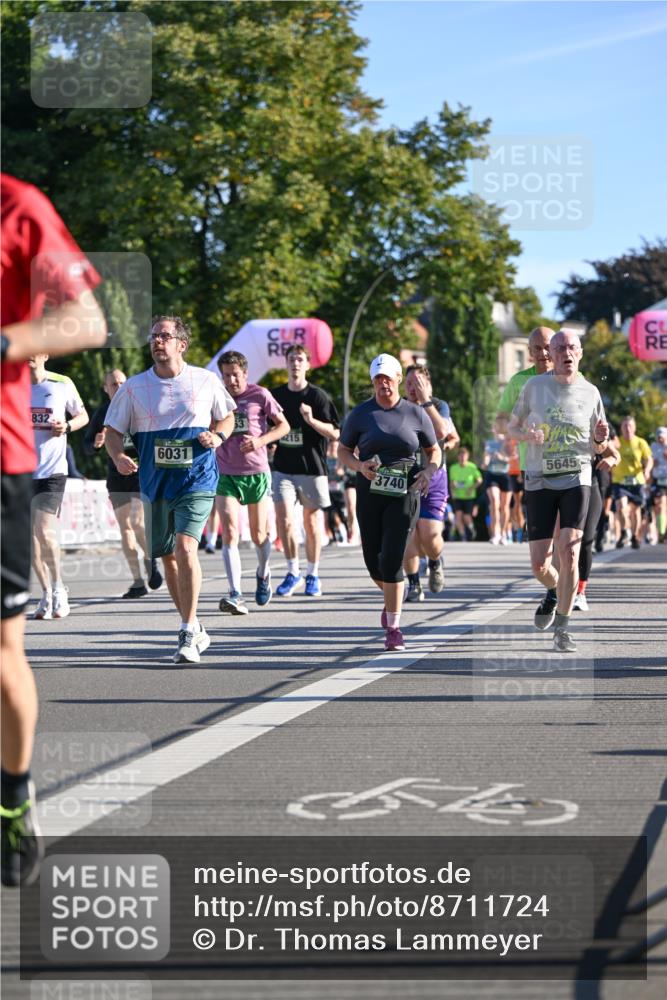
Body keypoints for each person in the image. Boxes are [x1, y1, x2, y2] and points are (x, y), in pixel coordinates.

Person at [1, 173, 107, 886]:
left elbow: (84, 323)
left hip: (4, 459)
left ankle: (13, 795)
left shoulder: (19, 206)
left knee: (2, 646)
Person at [104, 316, 235, 664]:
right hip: (155, 484)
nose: (157, 342)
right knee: (167, 555)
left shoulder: (205, 380)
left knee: (185, 546)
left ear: (181, 344)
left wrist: (218, 435)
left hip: (198, 479)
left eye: (165, 336)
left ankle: (188, 629)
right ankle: (193, 623)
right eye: (154, 337)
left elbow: (228, 417)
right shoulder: (133, 387)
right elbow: (113, 430)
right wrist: (117, 456)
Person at [507, 329, 609, 653]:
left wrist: (600, 439)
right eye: (560, 347)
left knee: (569, 550)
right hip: (539, 479)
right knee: (540, 564)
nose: (567, 352)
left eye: (572, 347)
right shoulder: (533, 386)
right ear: (551, 353)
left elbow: (599, 444)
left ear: (580, 353)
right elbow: (512, 426)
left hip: (576, 477)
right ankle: (552, 590)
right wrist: (526, 436)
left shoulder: (591, 392)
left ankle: (563, 627)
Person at [338, 354, 441, 651]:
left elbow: (434, 450)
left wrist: (429, 472)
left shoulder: (415, 413)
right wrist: (359, 466)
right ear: (372, 382)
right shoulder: (360, 415)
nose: (383, 383)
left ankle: (394, 627)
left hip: (405, 490)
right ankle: (393, 593)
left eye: (388, 378)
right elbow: (343, 450)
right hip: (370, 489)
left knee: (393, 557)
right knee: (374, 563)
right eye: (377, 379)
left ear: (398, 379)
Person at [214, 350, 290, 614]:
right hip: (225, 472)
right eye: (226, 375)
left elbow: (284, 426)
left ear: (245, 373)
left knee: (259, 536)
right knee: (231, 532)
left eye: (235, 375)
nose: (231, 380)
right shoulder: (217, 397)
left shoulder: (260, 395)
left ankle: (263, 571)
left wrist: (260, 441)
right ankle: (235, 593)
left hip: (256, 472)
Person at [84, 369, 163, 598]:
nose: (117, 387)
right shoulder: (101, 414)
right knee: (125, 527)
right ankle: (138, 582)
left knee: (137, 522)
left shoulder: (139, 408)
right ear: (105, 388)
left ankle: (150, 561)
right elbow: (87, 446)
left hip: (140, 473)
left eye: (121, 383)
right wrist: (96, 444)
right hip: (116, 475)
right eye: (113, 384)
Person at [270, 344, 340, 597]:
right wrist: (270, 442)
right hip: (284, 469)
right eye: (291, 359)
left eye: (300, 359)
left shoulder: (318, 397)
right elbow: (268, 428)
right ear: (286, 364)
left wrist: (311, 421)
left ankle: (313, 574)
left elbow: (335, 433)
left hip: (312, 468)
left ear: (308, 365)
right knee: (285, 520)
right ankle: (293, 571)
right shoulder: (276, 395)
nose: (295, 363)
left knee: (311, 523)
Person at [29, 354, 89, 619]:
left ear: (45, 355)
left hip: (52, 470)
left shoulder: (61, 382)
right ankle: (44, 592)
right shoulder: (9, 385)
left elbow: (83, 415)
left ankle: (58, 587)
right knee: (28, 540)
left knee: (44, 529)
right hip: (18, 471)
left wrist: (66, 426)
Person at [401, 364, 458, 602]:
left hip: (433, 476)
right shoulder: (398, 407)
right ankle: (413, 583)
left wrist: (426, 402)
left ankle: (435, 561)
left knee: (430, 533)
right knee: (407, 535)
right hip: (404, 478)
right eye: (409, 384)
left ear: (428, 385)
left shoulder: (438, 405)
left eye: (419, 383)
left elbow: (443, 431)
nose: (414, 388)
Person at [573, 441, 620, 611]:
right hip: (560, 490)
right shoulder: (552, 423)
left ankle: (580, 593)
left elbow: (615, 454)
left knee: (586, 540)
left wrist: (612, 460)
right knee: (561, 543)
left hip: (590, 487)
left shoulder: (589, 423)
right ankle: (556, 589)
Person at [612, 415, 653, 550]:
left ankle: (635, 536)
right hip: (620, 480)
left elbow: (648, 459)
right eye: (625, 426)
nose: (627, 429)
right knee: (621, 507)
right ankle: (624, 531)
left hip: (637, 481)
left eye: (630, 426)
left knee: (636, 512)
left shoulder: (641, 442)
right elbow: (609, 452)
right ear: (621, 429)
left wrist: (647, 470)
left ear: (634, 428)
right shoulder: (617, 442)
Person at [483, 423, 512, 545]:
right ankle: (496, 533)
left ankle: (504, 533)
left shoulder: (508, 443)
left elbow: (511, 459)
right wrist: (486, 461)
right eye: (495, 428)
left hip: (505, 475)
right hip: (492, 475)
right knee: (495, 502)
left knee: (505, 506)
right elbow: (485, 460)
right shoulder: (489, 443)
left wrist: (501, 457)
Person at [449, 446, 483, 541]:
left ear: (467, 456)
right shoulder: (453, 468)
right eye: (461, 456)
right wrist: (453, 490)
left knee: (467, 516)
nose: (462, 458)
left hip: (469, 496)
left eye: (464, 456)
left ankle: (471, 528)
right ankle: (463, 536)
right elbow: (452, 482)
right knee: (458, 516)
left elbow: (479, 480)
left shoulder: (472, 467)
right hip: (458, 496)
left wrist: (471, 488)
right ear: (458, 457)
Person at [650, 426, 667, 543]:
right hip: (657, 480)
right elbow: (648, 461)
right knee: (659, 506)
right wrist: (652, 463)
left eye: (662, 437)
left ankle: (664, 531)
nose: (660, 439)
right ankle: (661, 533)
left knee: (663, 507)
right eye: (658, 436)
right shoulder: (653, 446)